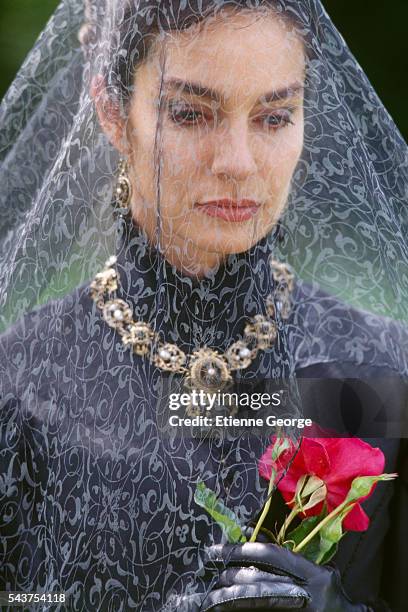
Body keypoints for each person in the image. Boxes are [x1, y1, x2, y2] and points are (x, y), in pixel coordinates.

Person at [0, 0, 407, 610]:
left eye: (274, 116)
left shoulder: (381, 368)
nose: (238, 163)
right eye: (191, 113)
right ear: (112, 112)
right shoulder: (21, 382)